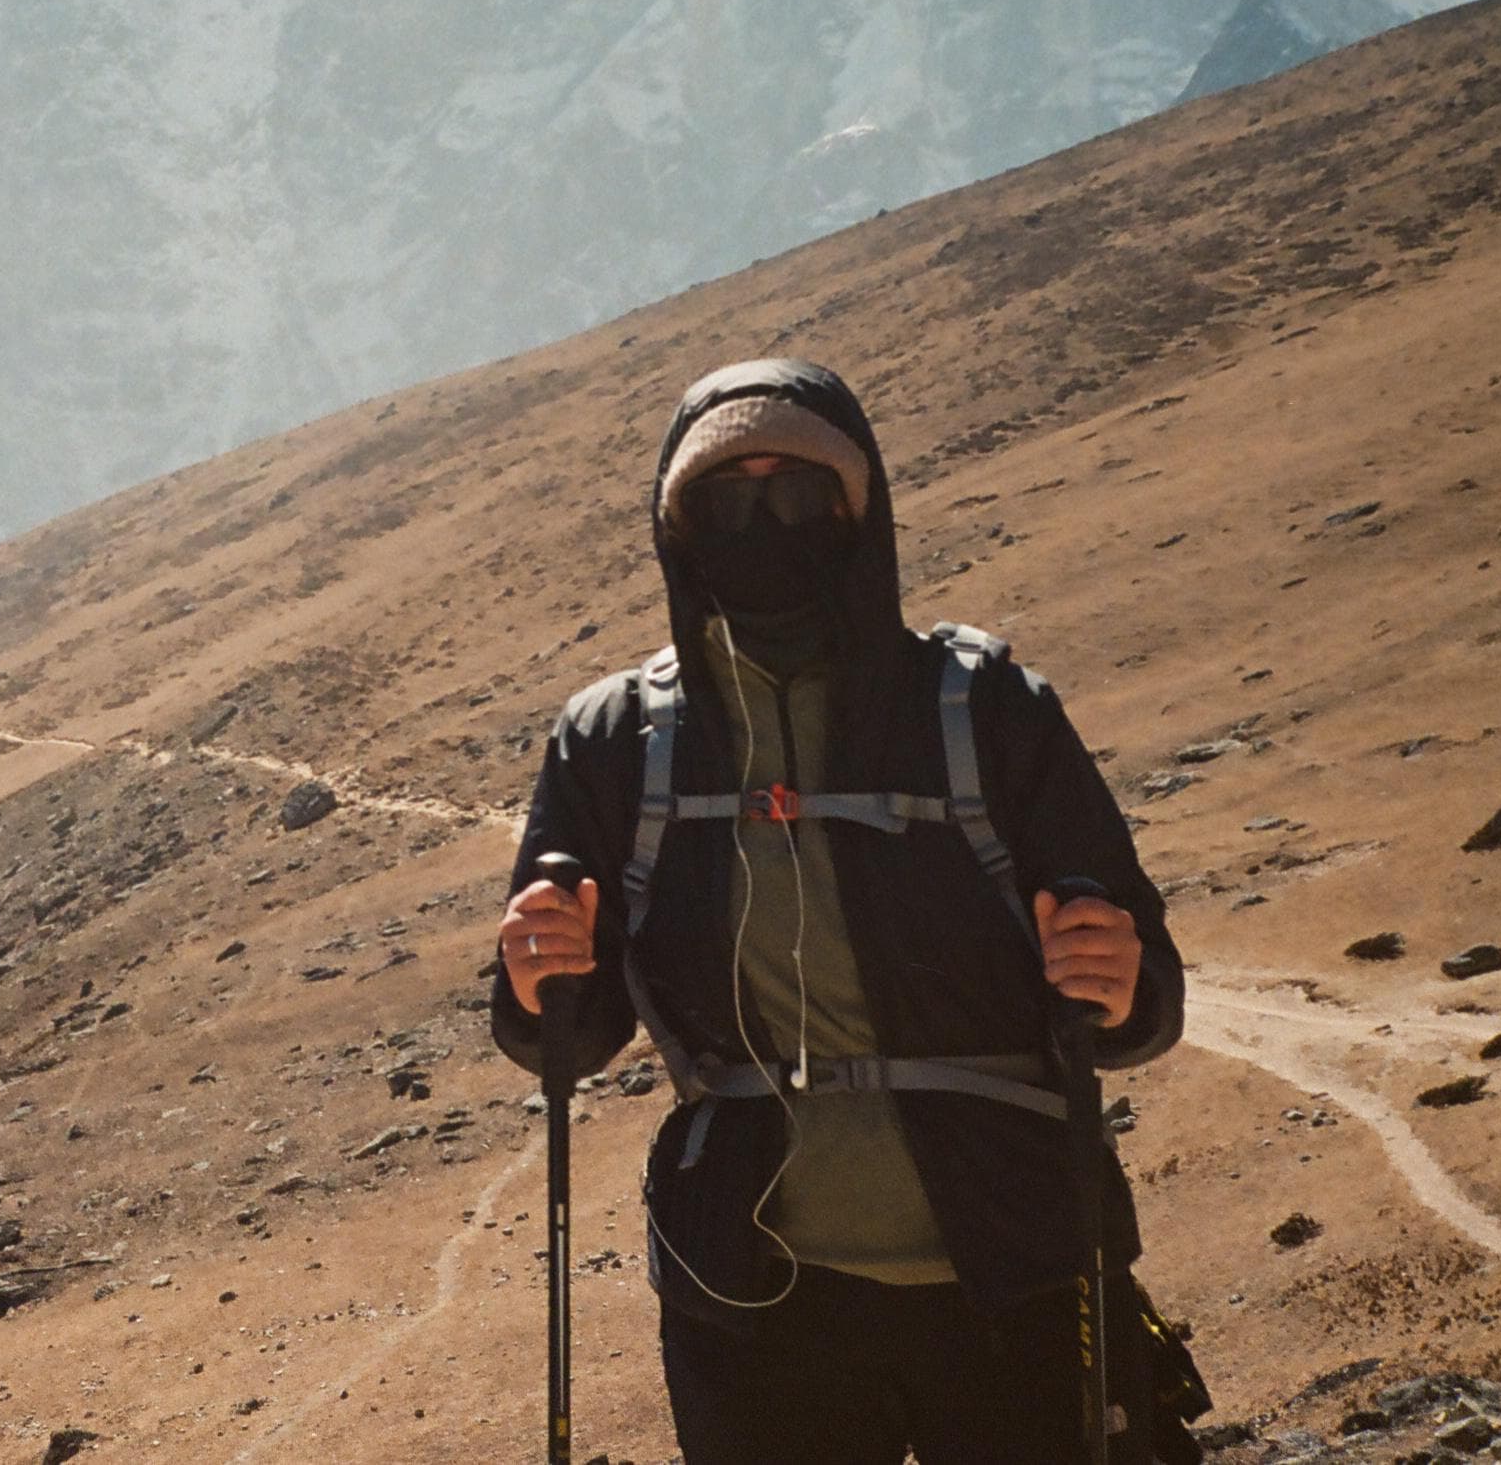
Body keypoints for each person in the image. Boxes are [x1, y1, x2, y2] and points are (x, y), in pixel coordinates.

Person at [489, 358, 1187, 1464]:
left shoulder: (984, 705)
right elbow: (563, 1027)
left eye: (799, 494)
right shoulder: (614, 740)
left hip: (1017, 1267)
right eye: (726, 499)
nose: (763, 522)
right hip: (756, 1291)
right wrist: (537, 980)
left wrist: (1122, 980)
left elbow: (1145, 994)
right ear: (679, 528)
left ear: (861, 512)